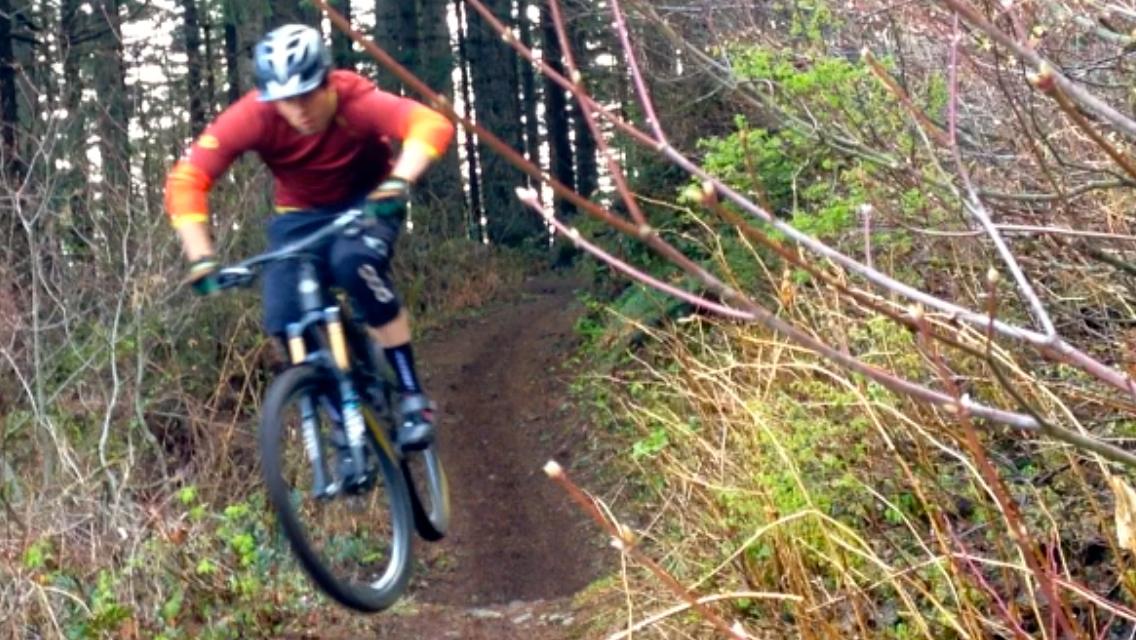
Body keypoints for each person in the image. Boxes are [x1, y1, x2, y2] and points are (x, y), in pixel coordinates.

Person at [163, 24, 455, 450]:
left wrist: (398, 182)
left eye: (305, 95)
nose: (297, 109)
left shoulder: (354, 100)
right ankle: (340, 414)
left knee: (353, 264)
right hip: (299, 217)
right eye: (284, 100)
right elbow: (188, 179)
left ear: (325, 82)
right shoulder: (254, 116)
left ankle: (411, 396)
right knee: (281, 314)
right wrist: (201, 258)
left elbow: (429, 124)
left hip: (368, 201)